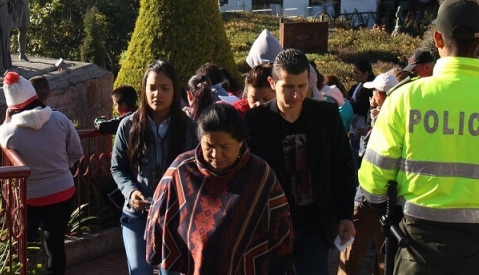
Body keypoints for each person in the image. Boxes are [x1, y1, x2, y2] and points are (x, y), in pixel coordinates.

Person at [358, 0, 479, 274]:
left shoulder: (404, 98)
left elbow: (373, 181)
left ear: (437, 38)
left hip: (416, 248)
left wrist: (388, 212)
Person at [145, 103, 294, 274]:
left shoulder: (259, 175)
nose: (216, 155)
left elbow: (279, 227)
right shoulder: (182, 170)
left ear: (240, 142)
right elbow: (159, 214)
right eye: (209, 147)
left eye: (225, 147)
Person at [245, 49, 356, 275]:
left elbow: (343, 166)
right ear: (272, 83)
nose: (295, 95)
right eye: (288, 87)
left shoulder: (325, 115)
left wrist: (345, 214)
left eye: (301, 86)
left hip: (314, 223)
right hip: (271, 225)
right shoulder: (255, 122)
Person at [110, 60, 198, 275]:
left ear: (175, 90)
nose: (157, 94)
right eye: (152, 88)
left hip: (175, 216)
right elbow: (117, 168)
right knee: (140, 270)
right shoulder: (129, 125)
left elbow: (197, 170)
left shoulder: (189, 128)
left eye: (165, 88)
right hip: (137, 214)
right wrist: (131, 192)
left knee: (171, 271)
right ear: (144, 89)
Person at [0, 72, 83, 275]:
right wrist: (60, 169)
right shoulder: (60, 119)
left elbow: (0, 134)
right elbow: (76, 152)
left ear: (11, 107)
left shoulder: (9, 133)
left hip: (31, 197)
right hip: (63, 191)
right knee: (56, 244)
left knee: (21, 242)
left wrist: (7, 120)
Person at [339, 72, 398, 275]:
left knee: (351, 252)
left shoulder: (383, 122)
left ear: (381, 94)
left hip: (367, 196)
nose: (372, 96)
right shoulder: (399, 118)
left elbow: (367, 158)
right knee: (385, 254)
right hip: (391, 200)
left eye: (374, 92)